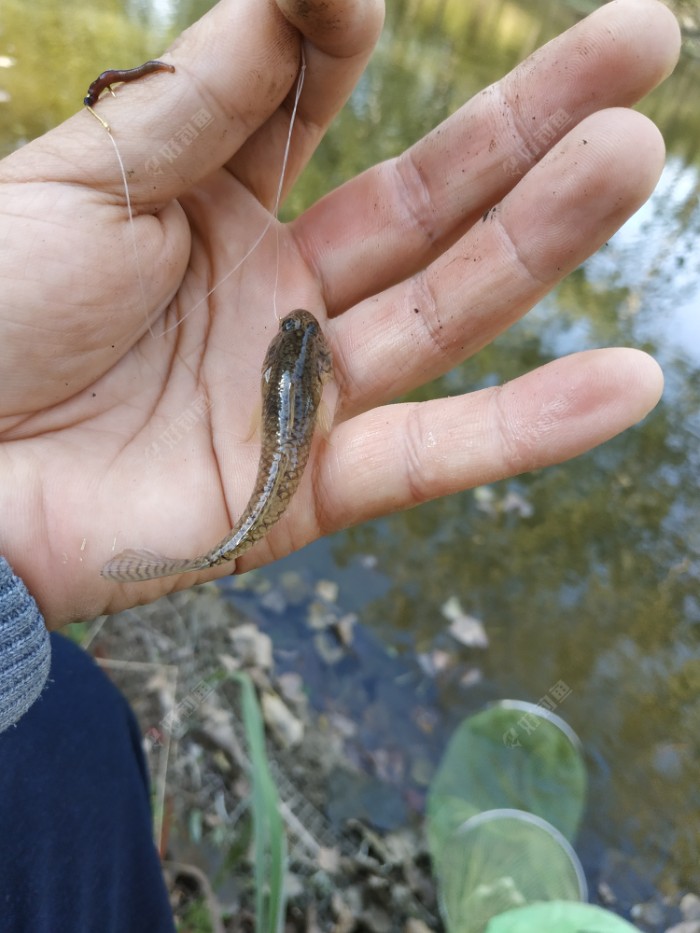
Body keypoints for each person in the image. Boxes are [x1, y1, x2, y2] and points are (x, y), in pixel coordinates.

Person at [0, 0, 681, 926]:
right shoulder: (299, 361)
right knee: (81, 733)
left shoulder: (295, 363)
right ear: (310, 361)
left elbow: (287, 381)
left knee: (79, 728)